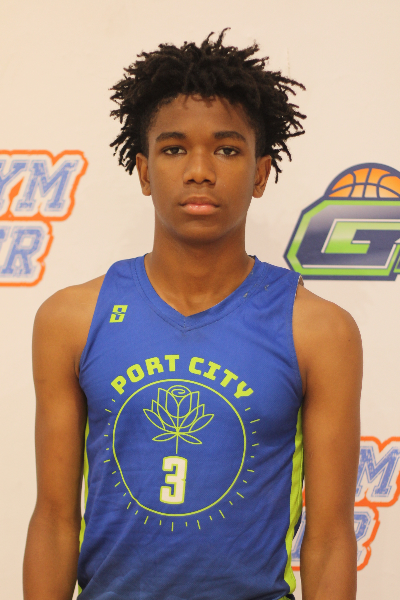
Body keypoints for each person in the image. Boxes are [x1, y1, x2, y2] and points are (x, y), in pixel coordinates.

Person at [23, 30, 362, 600]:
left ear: (260, 173)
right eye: (174, 149)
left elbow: (329, 539)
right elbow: (55, 521)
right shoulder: (71, 318)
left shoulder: (319, 330)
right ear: (143, 171)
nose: (200, 170)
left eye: (227, 150)